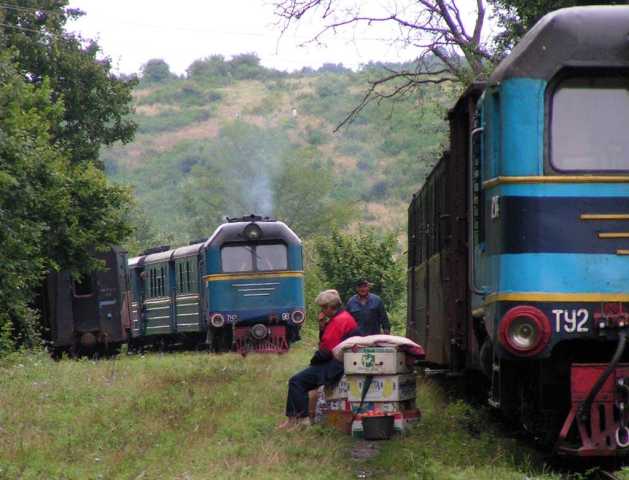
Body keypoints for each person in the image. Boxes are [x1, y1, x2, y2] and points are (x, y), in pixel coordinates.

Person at [278, 289, 358, 429]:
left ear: (329, 307)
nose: (322, 311)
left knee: (296, 381)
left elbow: (326, 351)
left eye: (322, 307)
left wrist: (313, 361)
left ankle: (301, 420)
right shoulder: (344, 317)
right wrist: (322, 327)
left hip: (333, 365)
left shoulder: (338, 321)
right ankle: (293, 419)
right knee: (299, 380)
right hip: (340, 361)